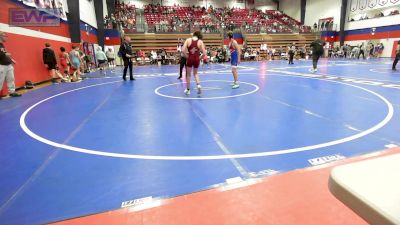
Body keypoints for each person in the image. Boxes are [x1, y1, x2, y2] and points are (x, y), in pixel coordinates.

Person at [181, 31, 207, 95]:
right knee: (195, 74)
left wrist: (187, 57)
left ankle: (188, 90)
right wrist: (199, 59)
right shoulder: (200, 42)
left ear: (193, 35)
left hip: (190, 58)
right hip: (196, 59)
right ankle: (198, 85)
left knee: (188, 75)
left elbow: (183, 50)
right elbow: (204, 53)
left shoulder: (188, 40)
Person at [0, 32, 21, 97]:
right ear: (0, 36)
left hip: (8, 65)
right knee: (0, 80)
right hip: (1, 65)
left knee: (11, 79)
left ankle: (12, 92)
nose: (6, 37)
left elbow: (4, 54)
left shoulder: (2, 45)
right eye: (5, 36)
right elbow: (3, 54)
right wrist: (5, 54)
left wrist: (11, 60)